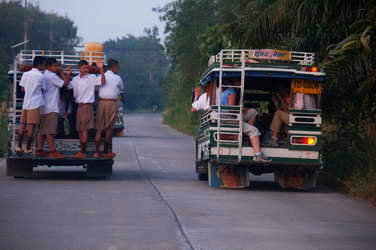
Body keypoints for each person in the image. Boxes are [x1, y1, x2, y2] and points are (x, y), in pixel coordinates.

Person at [220, 82, 271, 163]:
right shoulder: (232, 92)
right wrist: (241, 109)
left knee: (253, 112)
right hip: (230, 118)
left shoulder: (224, 92)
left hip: (224, 117)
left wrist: (244, 109)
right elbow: (231, 109)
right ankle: (258, 155)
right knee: (254, 131)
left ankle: (247, 135)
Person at [68, 59, 106, 158]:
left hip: (87, 106)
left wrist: (101, 69)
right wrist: (68, 74)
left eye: (87, 68)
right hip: (79, 107)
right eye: (84, 68)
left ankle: (83, 152)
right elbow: (67, 86)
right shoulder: (75, 79)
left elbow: (102, 82)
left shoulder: (92, 77)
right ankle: (82, 151)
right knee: (80, 130)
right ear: (79, 68)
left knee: (84, 129)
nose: (86, 70)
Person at [36, 58, 72, 158]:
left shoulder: (44, 74)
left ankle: (40, 150)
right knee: (50, 131)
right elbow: (64, 84)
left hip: (44, 107)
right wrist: (67, 74)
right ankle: (53, 152)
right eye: (55, 66)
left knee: (42, 131)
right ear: (49, 66)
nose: (57, 68)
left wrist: (60, 72)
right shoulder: (51, 76)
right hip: (51, 107)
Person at [94, 59, 124, 158]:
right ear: (114, 67)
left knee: (99, 128)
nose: (118, 69)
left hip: (101, 102)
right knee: (109, 129)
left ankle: (97, 152)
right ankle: (106, 151)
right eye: (117, 67)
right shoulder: (117, 78)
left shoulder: (100, 76)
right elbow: (121, 88)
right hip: (111, 103)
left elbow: (96, 89)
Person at [16, 56, 46, 154]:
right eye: (43, 65)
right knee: (31, 126)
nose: (44, 67)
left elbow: (22, 89)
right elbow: (44, 89)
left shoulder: (26, 74)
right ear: (39, 65)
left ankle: (19, 146)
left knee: (22, 124)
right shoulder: (41, 76)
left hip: (26, 103)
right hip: (35, 103)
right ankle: (28, 148)